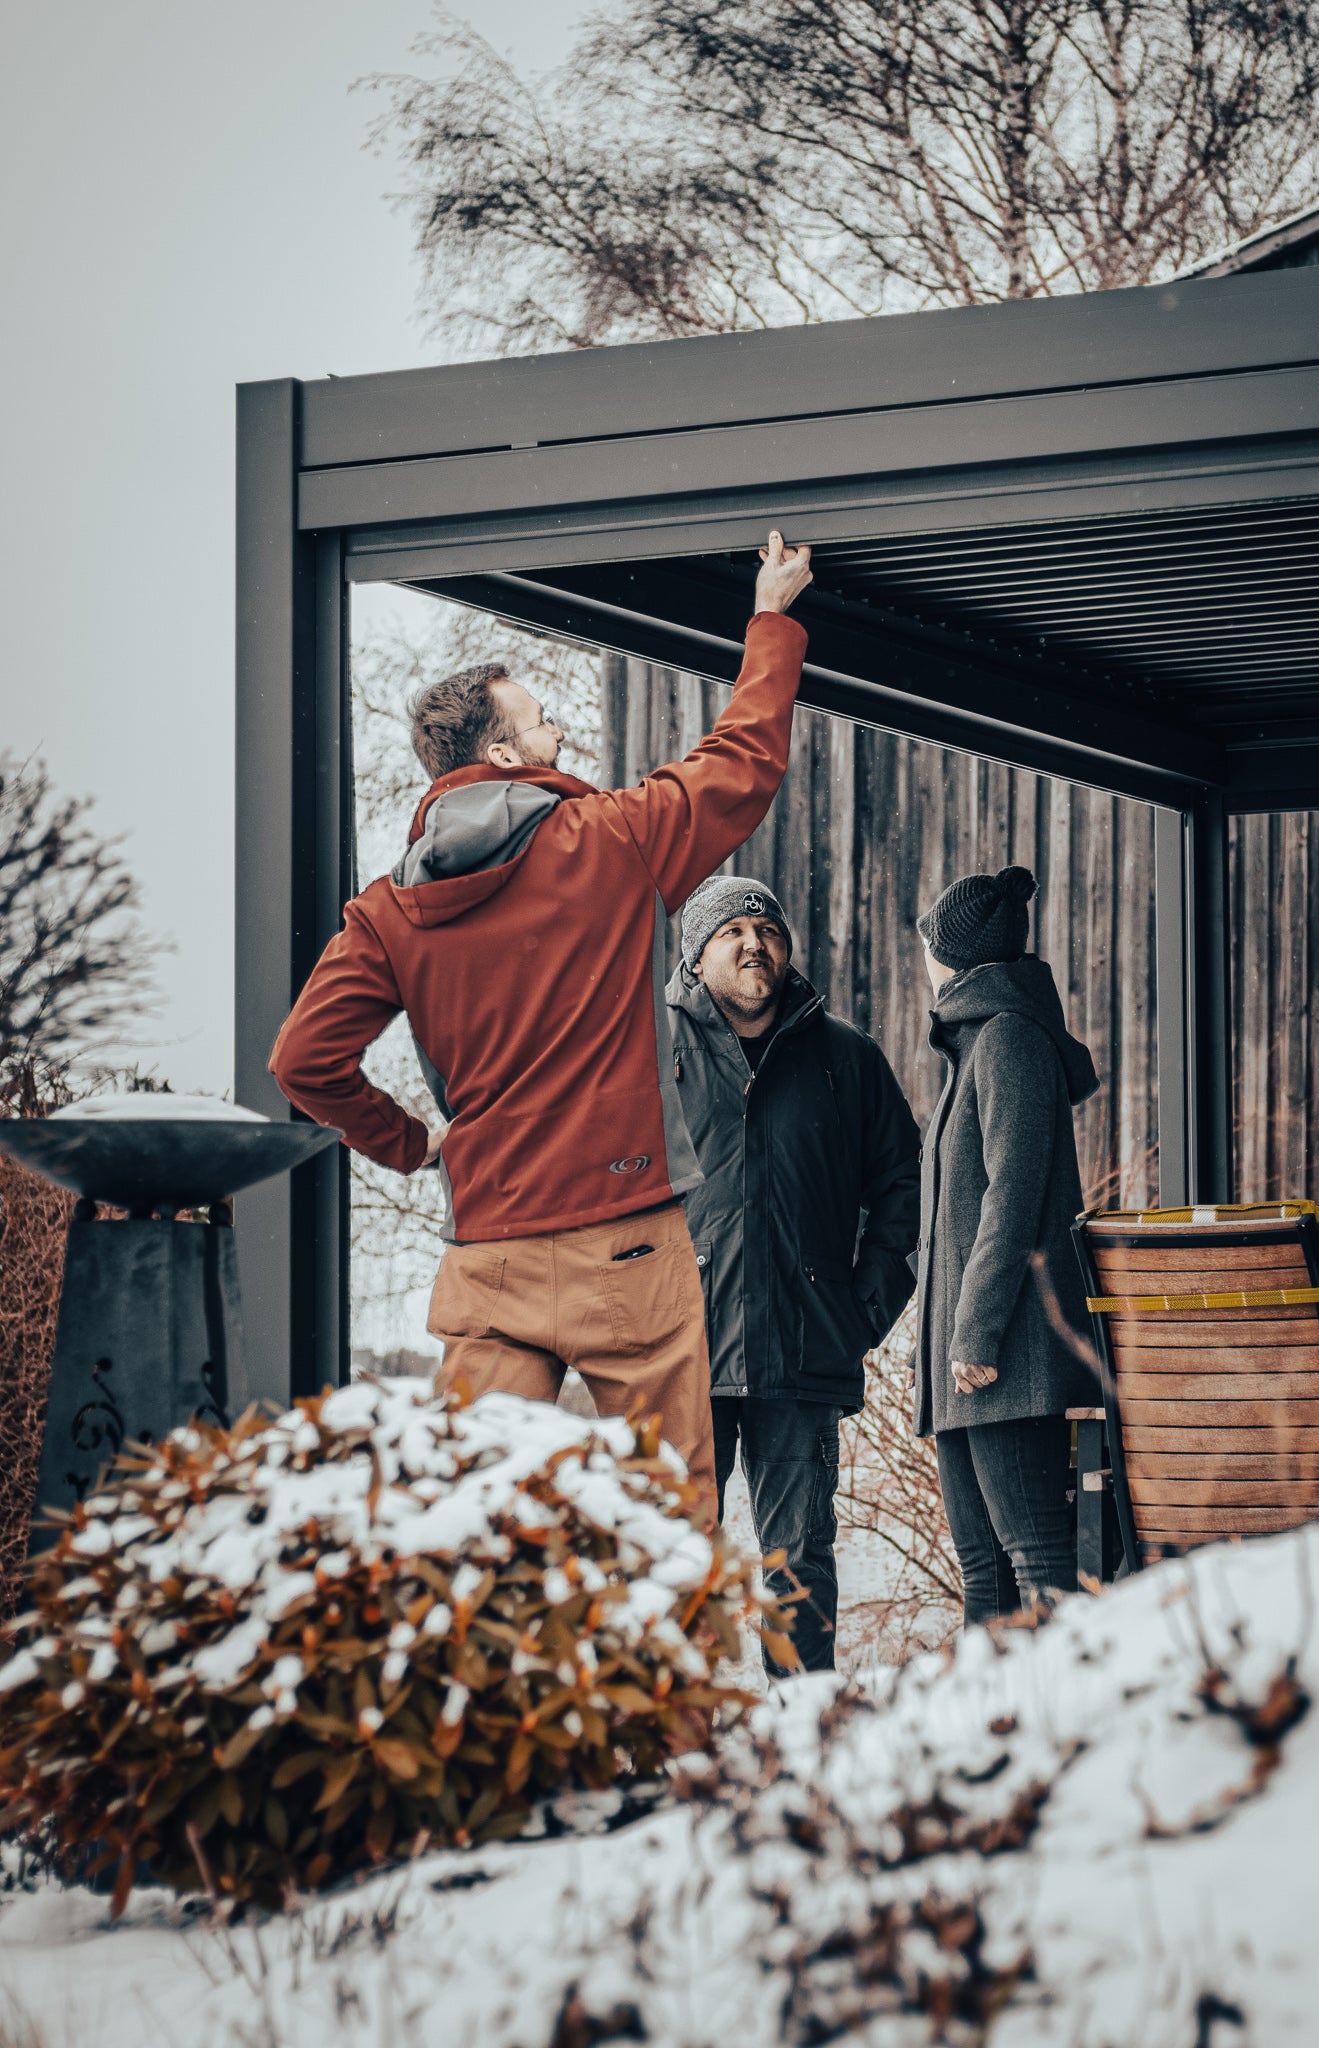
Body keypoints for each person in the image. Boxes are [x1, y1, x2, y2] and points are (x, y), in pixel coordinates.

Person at [269, 535, 814, 1519]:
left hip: (488, 1255)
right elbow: (743, 763)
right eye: (541, 717)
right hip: (626, 1243)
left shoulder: (388, 910)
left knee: (470, 1533)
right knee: (664, 1531)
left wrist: (409, 1144)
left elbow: (302, 1060)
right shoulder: (611, 838)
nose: (560, 726)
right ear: (505, 753)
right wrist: (772, 614)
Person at [667, 875, 920, 1669]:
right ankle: (675, 1747)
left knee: (800, 1566)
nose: (754, 944)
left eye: (768, 930)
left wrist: (858, 1309)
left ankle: (806, 1741)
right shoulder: (647, 1052)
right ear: (696, 953)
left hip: (803, 1352)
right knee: (676, 1562)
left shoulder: (845, 1056)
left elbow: (905, 1188)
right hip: (682, 1353)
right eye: (731, 932)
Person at [910, 865, 1100, 1623]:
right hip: (966, 1363)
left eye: (928, 942)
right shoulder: (975, 1044)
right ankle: (985, 1727)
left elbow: (1012, 1199)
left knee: (1035, 1556)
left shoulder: (1008, 1041)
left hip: (1003, 1354)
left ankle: (1056, 1720)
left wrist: (975, 1331)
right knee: (983, 1565)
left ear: (950, 953)